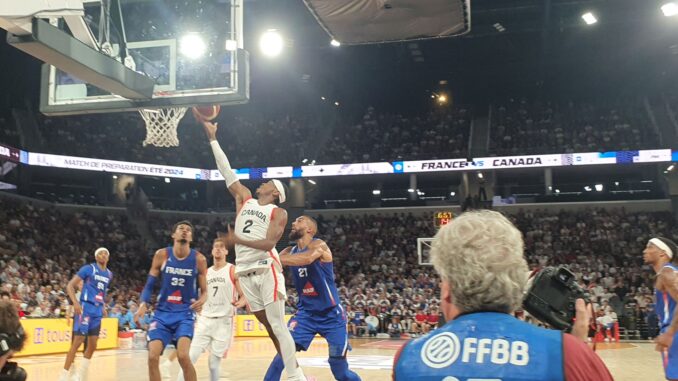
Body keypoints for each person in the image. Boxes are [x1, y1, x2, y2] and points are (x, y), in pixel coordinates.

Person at [393, 210, 613, 381]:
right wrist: (574, 356)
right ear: (519, 285)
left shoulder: (409, 355)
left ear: (447, 291)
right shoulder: (568, 353)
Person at [201, 118, 306, 380]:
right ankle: (295, 370)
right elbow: (227, 171)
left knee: (279, 326)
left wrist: (237, 240)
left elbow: (270, 244)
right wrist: (213, 138)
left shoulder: (278, 211)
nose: (263, 182)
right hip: (245, 272)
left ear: (274, 192)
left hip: (265, 268)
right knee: (270, 328)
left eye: (268, 182)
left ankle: (296, 377)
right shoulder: (245, 197)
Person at [263, 215, 361, 381]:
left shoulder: (319, 245)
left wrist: (271, 258)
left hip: (332, 316)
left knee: (339, 370)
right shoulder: (287, 251)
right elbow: (269, 267)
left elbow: (307, 258)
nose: (293, 223)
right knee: (282, 355)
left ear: (310, 229)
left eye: (299, 220)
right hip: (305, 315)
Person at [134, 221, 208, 381]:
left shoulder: (199, 259)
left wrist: (202, 300)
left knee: (182, 356)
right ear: (173, 234)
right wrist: (143, 304)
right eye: (181, 228)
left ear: (191, 237)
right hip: (162, 314)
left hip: (185, 315)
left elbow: (205, 291)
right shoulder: (162, 255)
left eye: (188, 230)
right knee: (153, 356)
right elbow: (149, 284)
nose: (184, 231)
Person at [176, 237, 246, 381]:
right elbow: (199, 295)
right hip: (205, 321)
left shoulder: (232, 270)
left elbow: (244, 295)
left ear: (226, 251)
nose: (218, 248)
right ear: (212, 251)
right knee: (189, 358)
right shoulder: (205, 272)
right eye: (216, 246)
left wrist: (241, 302)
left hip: (224, 322)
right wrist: (196, 305)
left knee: (213, 365)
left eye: (221, 246)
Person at [59, 248, 113, 381]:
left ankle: (80, 375)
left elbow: (102, 290)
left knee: (93, 344)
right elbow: (70, 286)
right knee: (77, 342)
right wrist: (76, 303)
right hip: (85, 308)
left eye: (106, 253)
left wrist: (103, 305)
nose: (103, 255)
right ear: (96, 257)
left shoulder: (109, 274)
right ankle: (64, 376)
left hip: (97, 310)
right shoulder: (88, 269)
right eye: (100, 253)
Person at [644, 236, 678, 380]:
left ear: (662, 253)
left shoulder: (667, 273)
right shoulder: (664, 274)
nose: (644, 251)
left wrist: (669, 333)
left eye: (650, 247)